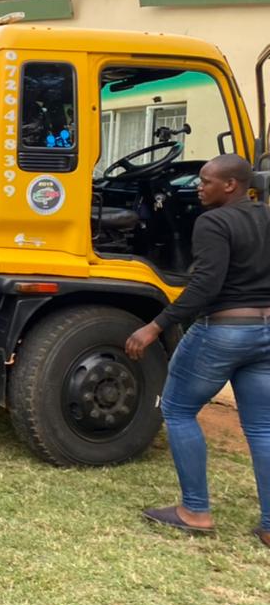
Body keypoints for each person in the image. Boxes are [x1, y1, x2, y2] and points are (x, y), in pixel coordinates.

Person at [126, 154, 270, 547]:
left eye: (207, 181)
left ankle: (195, 511)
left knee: (178, 409)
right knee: (262, 428)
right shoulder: (266, 216)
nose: (198, 188)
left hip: (223, 330)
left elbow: (205, 285)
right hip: (265, 331)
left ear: (231, 185)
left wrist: (155, 326)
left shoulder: (213, 222)